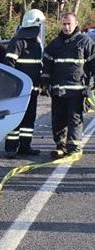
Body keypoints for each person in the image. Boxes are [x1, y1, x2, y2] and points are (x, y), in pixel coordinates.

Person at [42, 12, 95, 158]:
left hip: (77, 91)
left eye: (69, 24)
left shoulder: (85, 42)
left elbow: (93, 64)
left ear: (76, 23)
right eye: (64, 24)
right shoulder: (55, 43)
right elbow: (47, 65)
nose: (66, 27)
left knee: (74, 119)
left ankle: (73, 147)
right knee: (58, 119)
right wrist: (45, 82)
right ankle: (60, 146)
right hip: (58, 90)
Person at [2, 9, 46, 157]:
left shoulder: (35, 43)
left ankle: (25, 146)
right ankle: (11, 148)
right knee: (16, 119)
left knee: (29, 119)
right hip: (19, 91)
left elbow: (37, 66)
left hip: (32, 90)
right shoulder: (18, 41)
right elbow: (8, 64)